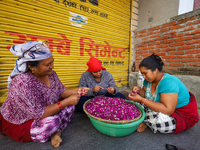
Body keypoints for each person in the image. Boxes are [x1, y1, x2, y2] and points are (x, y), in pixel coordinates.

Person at [0, 41, 90, 147]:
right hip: (22, 121)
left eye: (52, 62)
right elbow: (39, 114)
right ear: (32, 67)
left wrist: (77, 90)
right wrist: (66, 101)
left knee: (71, 106)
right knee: (51, 122)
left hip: (45, 109)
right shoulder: (22, 83)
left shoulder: (51, 74)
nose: (52, 66)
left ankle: (57, 131)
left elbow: (61, 90)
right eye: (47, 64)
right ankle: (55, 130)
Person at [128, 53, 199, 134]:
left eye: (145, 73)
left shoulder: (168, 82)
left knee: (160, 123)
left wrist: (141, 99)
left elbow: (167, 110)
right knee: (134, 105)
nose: (143, 76)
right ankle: (147, 120)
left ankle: (146, 122)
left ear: (155, 70)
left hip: (179, 115)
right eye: (142, 74)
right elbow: (146, 95)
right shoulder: (148, 80)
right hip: (159, 109)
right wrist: (140, 91)